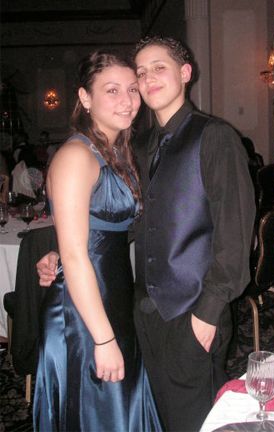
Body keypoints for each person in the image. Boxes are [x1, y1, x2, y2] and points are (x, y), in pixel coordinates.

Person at [38, 36, 255, 431]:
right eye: (141, 72)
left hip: (192, 312)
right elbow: (128, 224)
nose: (147, 79)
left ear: (185, 73)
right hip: (139, 314)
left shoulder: (215, 137)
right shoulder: (136, 147)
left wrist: (208, 313)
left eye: (159, 67)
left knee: (197, 420)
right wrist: (62, 251)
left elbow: (236, 237)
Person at [33, 51, 162, 431]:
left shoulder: (118, 151)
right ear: (85, 98)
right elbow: (75, 256)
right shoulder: (76, 155)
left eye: (133, 90)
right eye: (112, 90)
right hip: (83, 311)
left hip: (111, 297)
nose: (128, 101)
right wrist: (103, 340)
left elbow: (92, 233)